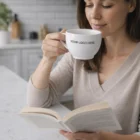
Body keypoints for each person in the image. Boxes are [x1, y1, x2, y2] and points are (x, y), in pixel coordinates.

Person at [27, 0, 140, 139]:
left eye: (106, 5)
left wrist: (103, 138)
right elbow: (38, 103)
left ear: (131, 5)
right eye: (89, 5)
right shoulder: (78, 51)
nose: (94, 15)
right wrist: (47, 59)